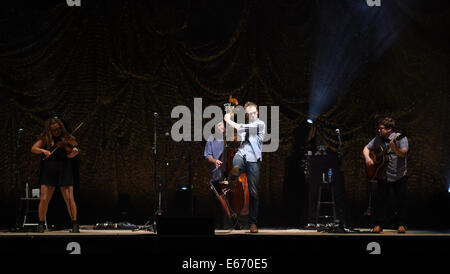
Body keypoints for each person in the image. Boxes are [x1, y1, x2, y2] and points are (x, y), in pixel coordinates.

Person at [31, 117, 80, 233]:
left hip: (64, 169)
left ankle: (74, 224)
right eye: (53, 130)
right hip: (49, 170)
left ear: (61, 127)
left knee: (69, 198)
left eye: (58, 129)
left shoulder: (68, 138)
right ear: (49, 130)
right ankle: (41, 224)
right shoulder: (46, 139)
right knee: (44, 199)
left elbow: (69, 156)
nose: (56, 132)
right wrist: (43, 151)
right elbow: (33, 148)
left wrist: (73, 154)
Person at [224, 101, 265, 233]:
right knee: (236, 160)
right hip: (242, 154)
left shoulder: (260, 124)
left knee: (253, 193)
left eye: (254, 112)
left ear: (257, 112)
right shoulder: (246, 125)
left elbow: (241, 127)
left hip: (254, 160)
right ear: (247, 115)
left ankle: (253, 223)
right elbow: (239, 140)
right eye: (249, 114)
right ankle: (233, 176)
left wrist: (228, 120)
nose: (252, 115)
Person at [363, 117, 408, 233]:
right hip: (383, 174)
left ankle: (401, 224)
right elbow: (366, 148)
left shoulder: (401, 138)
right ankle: (379, 224)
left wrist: (394, 149)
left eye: (381, 128)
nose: (379, 130)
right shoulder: (378, 139)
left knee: (400, 200)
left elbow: (403, 154)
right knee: (381, 201)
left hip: (399, 175)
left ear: (390, 129)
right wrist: (368, 158)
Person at [204, 121, 227, 229]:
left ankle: (231, 222)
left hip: (228, 173)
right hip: (216, 174)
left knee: (229, 200)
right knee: (217, 200)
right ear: (215, 127)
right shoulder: (210, 139)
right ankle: (218, 225)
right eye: (218, 125)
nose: (220, 127)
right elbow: (208, 156)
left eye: (222, 126)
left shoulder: (228, 140)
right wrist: (215, 161)